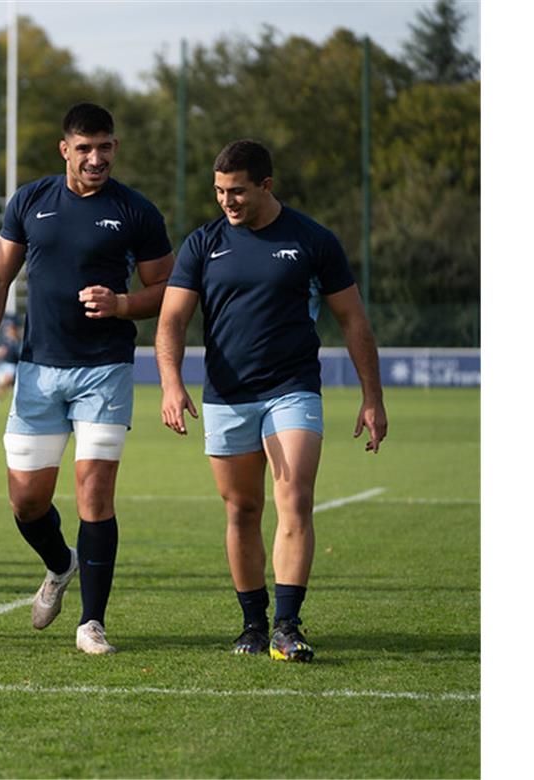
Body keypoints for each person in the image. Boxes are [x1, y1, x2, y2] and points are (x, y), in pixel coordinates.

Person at [156, 139, 388, 663]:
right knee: (242, 509)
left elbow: (353, 320)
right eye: (218, 191)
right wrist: (171, 382)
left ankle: (287, 624)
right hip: (227, 397)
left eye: (236, 191)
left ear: (266, 185)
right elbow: (171, 321)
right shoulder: (202, 244)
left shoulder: (312, 240)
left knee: (294, 500)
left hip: (293, 389)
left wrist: (372, 397)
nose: (226, 202)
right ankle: (252, 624)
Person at [0, 103, 175, 655]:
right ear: (65, 149)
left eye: (104, 146)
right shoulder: (30, 201)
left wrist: (123, 302)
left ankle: (92, 622)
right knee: (27, 502)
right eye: (84, 148)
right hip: (36, 371)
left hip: (104, 371)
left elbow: (170, 292)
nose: (95, 158)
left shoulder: (136, 211)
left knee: (94, 497)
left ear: (115, 147)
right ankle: (61, 564)